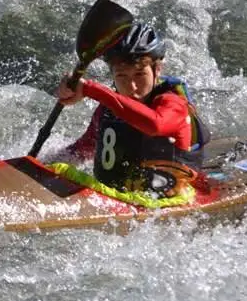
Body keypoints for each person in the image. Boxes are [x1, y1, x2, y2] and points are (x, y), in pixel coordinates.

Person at [51, 21, 209, 199]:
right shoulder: (108, 109)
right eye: (122, 76)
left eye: (140, 74)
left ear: (157, 70)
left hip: (169, 199)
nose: (132, 86)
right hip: (114, 198)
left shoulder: (174, 104)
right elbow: (83, 149)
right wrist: (44, 165)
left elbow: (155, 124)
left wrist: (89, 89)